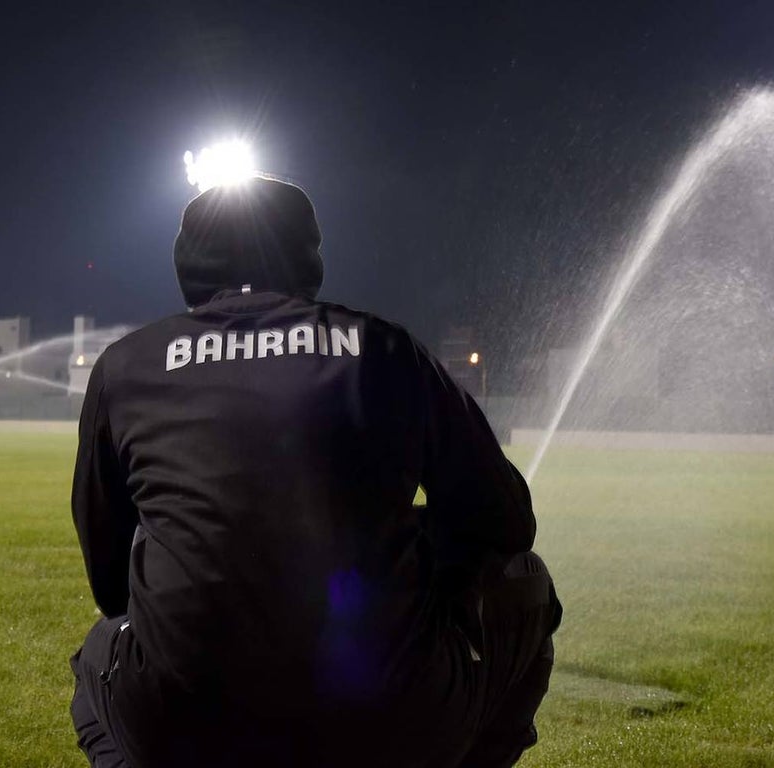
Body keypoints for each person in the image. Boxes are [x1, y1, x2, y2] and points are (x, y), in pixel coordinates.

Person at [69, 176, 561, 768]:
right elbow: (505, 522)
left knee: (96, 663)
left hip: (184, 722)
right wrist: (421, 546)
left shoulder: (126, 365)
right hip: (389, 718)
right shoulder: (383, 349)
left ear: (187, 262)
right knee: (526, 582)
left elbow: (107, 580)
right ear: (308, 254)